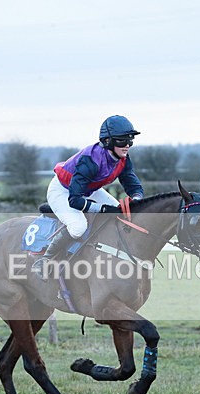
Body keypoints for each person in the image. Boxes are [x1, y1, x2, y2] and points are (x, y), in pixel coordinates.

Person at [31, 115, 145, 279]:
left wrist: (137, 199)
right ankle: (45, 261)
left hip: (89, 190)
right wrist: (102, 208)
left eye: (130, 140)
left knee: (119, 216)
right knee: (78, 227)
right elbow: (75, 200)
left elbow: (132, 183)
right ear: (108, 141)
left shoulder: (123, 158)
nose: (127, 145)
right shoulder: (90, 160)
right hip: (63, 191)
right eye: (122, 140)